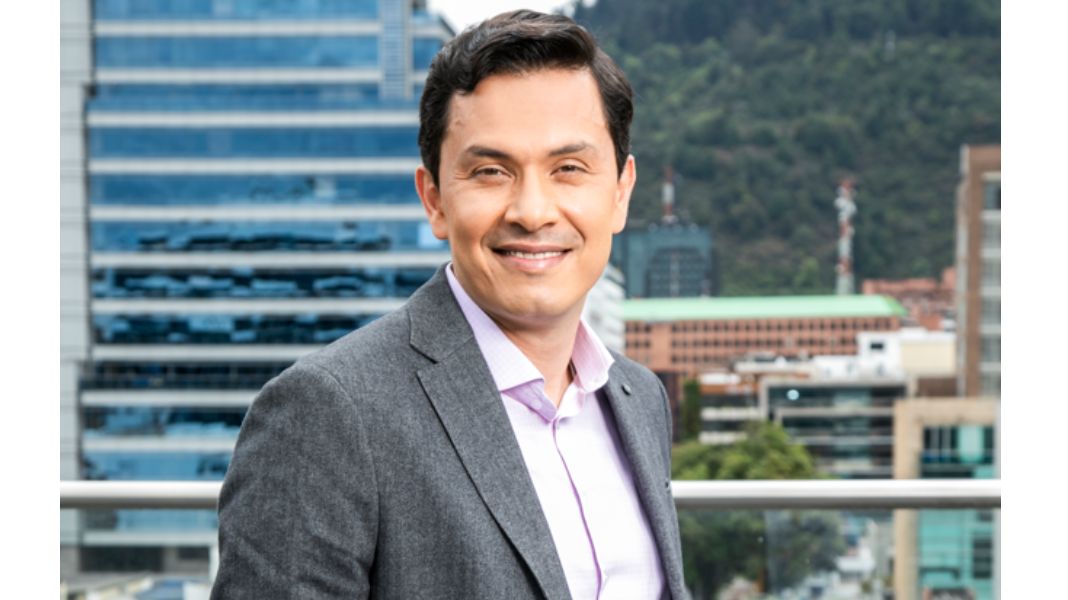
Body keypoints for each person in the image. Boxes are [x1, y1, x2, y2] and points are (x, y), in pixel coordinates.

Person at [211, 10, 687, 599]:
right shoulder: (328, 412)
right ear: (434, 199)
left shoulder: (639, 398)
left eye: (569, 168)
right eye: (490, 171)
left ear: (620, 192)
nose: (532, 212)